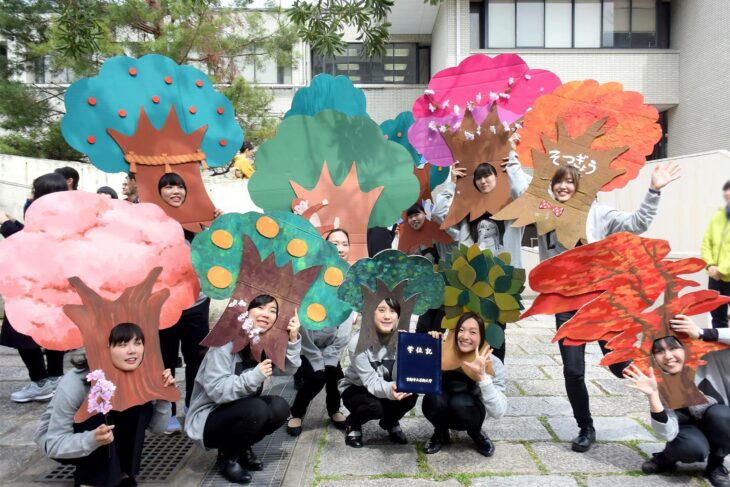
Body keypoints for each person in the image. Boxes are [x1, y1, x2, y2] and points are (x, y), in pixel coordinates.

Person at [534, 160, 681, 452]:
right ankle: (585, 428)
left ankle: (668, 396)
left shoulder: (599, 213)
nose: (563, 187)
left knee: (619, 366)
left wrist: (653, 190)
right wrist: (511, 154)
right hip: (566, 304)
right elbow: (517, 186)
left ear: (580, 187)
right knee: (573, 371)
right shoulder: (546, 213)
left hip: (601, 302)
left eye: (570, 182)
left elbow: (636, 224)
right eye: (559, 182)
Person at [34, 323, 175, 487]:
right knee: (100, 409)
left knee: (138, 408)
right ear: (104, 348)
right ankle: (91, 480)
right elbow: (54, 444)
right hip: (66, 441)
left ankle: (123, 473)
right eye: (122, 344)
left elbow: (156, 428)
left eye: (138, 343)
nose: (132, 350)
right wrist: (92, 439)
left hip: (103, 436)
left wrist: (165, 396)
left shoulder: (144, 375)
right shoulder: (76, 382)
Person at [430, 134, 530, 361]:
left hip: (503, 282)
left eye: (488, 176)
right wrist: (451, 181)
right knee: (469, 330)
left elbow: (522, 193)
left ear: (497, 177)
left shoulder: (511, 215)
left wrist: (512, 157)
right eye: (479, 178)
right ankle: (470, 375)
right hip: (472, 281)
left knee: (496, 334)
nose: (484, 181)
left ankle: (494, 378)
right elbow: (438, 214)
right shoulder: (468, 218)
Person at [185, 295, 301, 484]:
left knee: (280, 407)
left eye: (273, 311)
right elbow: (217, 390)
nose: (266, 314)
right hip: (209, 417)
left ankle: (243, 445)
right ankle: (227, 457)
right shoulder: (224, 343)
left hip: (242, 409)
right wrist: (255, 375)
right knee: (257, 409)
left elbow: (288, 369)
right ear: (245, 311)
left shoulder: (263, 341)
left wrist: (293, 338)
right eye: (260, 308)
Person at [624, 320, 730, 487]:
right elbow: (666, 432)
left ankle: (716, 465)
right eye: (659, 351)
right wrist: (653, 397)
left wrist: (702, 333)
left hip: (720, 420)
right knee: (691, 448)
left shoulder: (712, 360)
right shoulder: (658, 379)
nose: (668, 356)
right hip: (686, 430)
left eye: (673, 348)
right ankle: (668, 457)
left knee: (722, 415)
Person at [156, 172, 218, 433]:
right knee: (166, 358)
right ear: (158, 192)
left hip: (197, 301)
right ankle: (167, 411)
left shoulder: (201, 222)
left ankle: (193, 406)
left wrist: (216, 224)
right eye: (169, 186)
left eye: (180, 186)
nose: (175, 191)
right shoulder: (152, 222)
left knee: (197, 357)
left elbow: (218, 250)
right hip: (164, 304)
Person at [0, 172, 68, 402]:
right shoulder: (63, 216)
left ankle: (40, 382)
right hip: (53, 286)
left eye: (33, 189)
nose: (30, 194)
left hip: (35, 286)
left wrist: (6, 225)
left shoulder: (53, 218)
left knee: (22, 333)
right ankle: (55, 380)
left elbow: (31, 245)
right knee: (52, 333)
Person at [287, 229, 355, 435]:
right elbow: (303, 322)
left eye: (344, 244)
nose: (340, 249)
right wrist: (316, 358)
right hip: (307, 347)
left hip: (332, 346)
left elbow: (345, 323)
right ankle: (296, 412)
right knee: (318, 377)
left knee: (334, 373)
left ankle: (334, 410)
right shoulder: (311, 275)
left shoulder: (350, 278)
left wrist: (331, 356)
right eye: (334, 244)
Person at [422, 313, 508, 457]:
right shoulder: (441, 352)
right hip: (443, 404)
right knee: (433, 398)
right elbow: (413, 376)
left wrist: (483, 377)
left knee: (460, 402)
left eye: (473, 332)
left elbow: (499, 412)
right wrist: (427, 346)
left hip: (470, 410)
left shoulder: (493, 364)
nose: (465, 336)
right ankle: (440, 431)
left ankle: (475, 433)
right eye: (461, 330)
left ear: (483, 336)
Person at [339, 298, 417, 448]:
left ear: (398, 317)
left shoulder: (404, 338)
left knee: (410, 395)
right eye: (381, 310)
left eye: (392, 311)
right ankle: (354, 422)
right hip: (358, 388)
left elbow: (403, 374)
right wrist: (390, 390)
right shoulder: (358, 343)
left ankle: (389, 421)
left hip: (386, 384)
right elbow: (370, 381)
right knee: (376, 407)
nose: (387, 316)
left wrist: (406, 347)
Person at [701, 180, 730, 329]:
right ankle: (720, 349)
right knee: (717, 316)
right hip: (715, 277)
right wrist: (711, 265)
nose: (727, 192)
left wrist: (722, 270)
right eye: (726, 189)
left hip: (726, 275)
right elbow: (706, 243)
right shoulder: (718, 216)